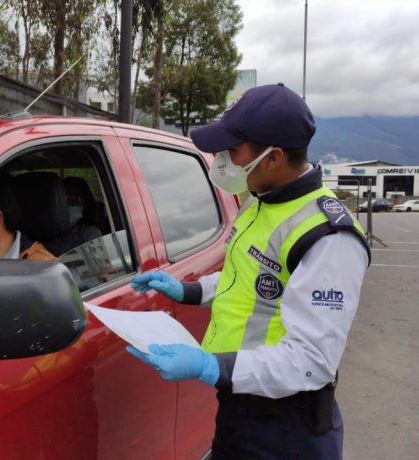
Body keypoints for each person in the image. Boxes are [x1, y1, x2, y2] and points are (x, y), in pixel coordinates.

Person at [127, 83, 370, 459]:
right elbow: (249, 281)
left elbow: (312, 362)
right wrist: (187, 290)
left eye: (232, 150)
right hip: (242, 407)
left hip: (286, 426)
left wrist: (210, 366)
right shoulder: (261, 202)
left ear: (272, 157)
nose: (222, 159)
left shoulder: (327, 236)